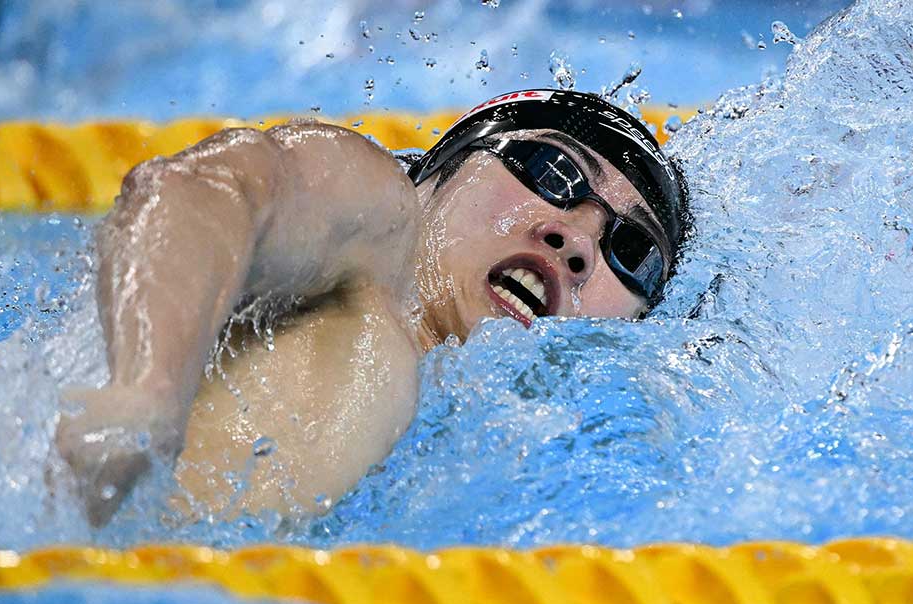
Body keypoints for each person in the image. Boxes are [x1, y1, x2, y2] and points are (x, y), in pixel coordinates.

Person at [54, 88, 689, 526]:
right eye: (551, 171)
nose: (576, 239)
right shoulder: (378, 222)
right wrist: (143, 397)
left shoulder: (545, 458)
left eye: (632, 250)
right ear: (438, 174)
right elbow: (199, 191)